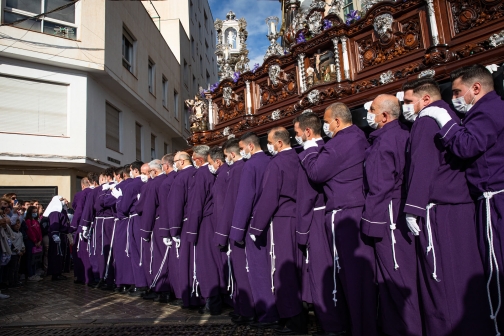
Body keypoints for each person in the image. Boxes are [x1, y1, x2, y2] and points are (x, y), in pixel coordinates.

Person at [402, 77, 493, 335]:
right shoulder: (453, 118)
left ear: (426, 99)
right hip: (462, 206)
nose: (408, 107)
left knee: (440, 280)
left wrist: (414, 207)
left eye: (410, 101)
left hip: (439, 210)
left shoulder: (426, 120)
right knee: (464, 278)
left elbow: (422, 167)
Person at [420, 64, 504, 333]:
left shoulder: (487, 110)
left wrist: (444, 123)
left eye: (457, 92)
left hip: (495, 199)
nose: (453, 98)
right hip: (487, 199)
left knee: (496, 267)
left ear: (475, 88)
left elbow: (468, 146)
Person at [300, 102, 377, 336]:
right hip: (355, 210)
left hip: (345, 212)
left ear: (336, 121)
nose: (324, 126)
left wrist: (310, 149)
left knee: (352, 278)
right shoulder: (359, 136)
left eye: (326, 121)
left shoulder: (340, 142)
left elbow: (317, 172)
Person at [361, 94, 421, 335]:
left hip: (388, 218)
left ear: (384, 116)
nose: (369, 114)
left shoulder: (385, 142)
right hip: (397, 212)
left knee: (396, 280)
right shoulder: (402, 134)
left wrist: (369, 226)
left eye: (373, 110)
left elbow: (379, 186)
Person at [247, 127, 305, 334]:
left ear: (279, 143)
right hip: (296, 218)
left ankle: (292, 319)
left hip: (281, 221)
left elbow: (269, 197)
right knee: (295, 268)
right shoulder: (298, 158)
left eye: (270, 142)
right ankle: (298, 314)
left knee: (283, 270)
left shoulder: (277, 163)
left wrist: (256, 225)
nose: (269, 146)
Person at [294, 112, 344, 334]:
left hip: (315, 219)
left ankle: (331, 325)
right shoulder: (332, 147)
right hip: (334, 215)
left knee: (322, 273)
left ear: (307, 131)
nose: (296, 137)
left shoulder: (309, 153)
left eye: (296, 133)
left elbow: (306, 196)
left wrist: (302, 233)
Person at [228, 132, 275, 329]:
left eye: (241, 148)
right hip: (272, 222)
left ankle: (266, 314)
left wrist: (237, 232)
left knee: (258, 272)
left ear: (250, 146)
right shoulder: (271, 161)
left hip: (254, 224)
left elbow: (245, 200)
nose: (240, 152)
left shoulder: (251, 165)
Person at [185, 145, 222, 315]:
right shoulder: (218, 170)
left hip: (206, 223)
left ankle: (212, 301)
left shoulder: (201, 173)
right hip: (219, 220)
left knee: (207, 263)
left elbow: (196, 203)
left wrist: (191, 230)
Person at [167, 151, 197, 308]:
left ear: (183, 161)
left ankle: (187, 296)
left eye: (176, 160)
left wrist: (174, 230)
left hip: (185, 224)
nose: (174, 163)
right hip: (199, 223)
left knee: (184, 262)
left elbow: (175, 206)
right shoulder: (199, 173)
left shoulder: (180, 178)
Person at [113, 161, 146, 294]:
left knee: (135, 252)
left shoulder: (132, 185)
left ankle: (140, 284)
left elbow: (123, 208)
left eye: (132, 170)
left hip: (133, 220)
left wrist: (119, 198)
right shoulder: (146, 183)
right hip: (145, 220)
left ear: (135, 171)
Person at [137, 159, 168, 301]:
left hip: (156, 224)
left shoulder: (153, 184)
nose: (148, 175)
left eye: (149, 172)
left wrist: (145, 231)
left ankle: (159, 289)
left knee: (156, 258)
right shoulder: (168, 180)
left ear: (154, 171)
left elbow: (148, 208)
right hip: (168, 223)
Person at [149, 154, 177, 303]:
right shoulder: (175, 178)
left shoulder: (162, 183)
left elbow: (159, 207)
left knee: (161, 258)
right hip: (179, 223)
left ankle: (163, 290)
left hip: (163, 223)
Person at [207, 146, 231, 308]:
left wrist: (222, 232)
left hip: (223, 226)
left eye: (210, 163)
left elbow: (222, 206)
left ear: (218, 162)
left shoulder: (222, 176)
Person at [70, 177, 92, 284]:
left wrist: (73, 226)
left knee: (81, 251)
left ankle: (82, 276)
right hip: (96, 225)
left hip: (82, 225)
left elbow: (77, 209)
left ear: (82, 185)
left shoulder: (80, 194)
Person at [44, 196, 71, 281]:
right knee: (56, 255)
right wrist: (55, 234)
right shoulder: (55, 212)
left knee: (61, 255)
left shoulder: (62, 211)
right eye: (61, 200)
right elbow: (54, 224)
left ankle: (59, 272)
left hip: (62, 235)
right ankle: (55, 273)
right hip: (57, 236)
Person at [24, 205, 43, 282]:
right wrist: (35, 241)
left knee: (35, 259)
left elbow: (39, 231)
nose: (35, 213)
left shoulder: (36, 221)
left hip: (38, 242)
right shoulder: (28, 221)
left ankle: (34, 273)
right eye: (33, 212)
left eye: (36, 212)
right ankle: (30, 274)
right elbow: (30, 232)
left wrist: (40, 240)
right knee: (30, 259)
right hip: (31, 242)